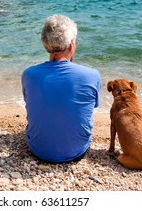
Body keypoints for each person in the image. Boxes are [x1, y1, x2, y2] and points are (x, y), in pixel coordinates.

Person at [21, 14, 101, 163]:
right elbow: (89, 108)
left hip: (38, 149)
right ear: (71, 45)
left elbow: (32, 102)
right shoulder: (92, 75)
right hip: (76, 150)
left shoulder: (28, 74)